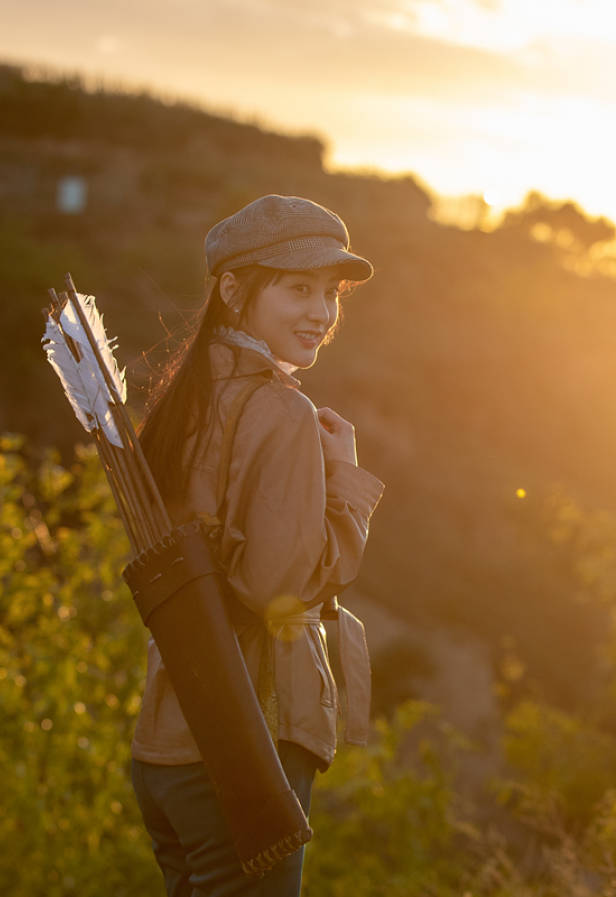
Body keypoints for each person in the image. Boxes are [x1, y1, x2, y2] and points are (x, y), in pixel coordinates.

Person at [131, 194, 385, 897]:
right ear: (234, 290)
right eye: (298, 287)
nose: (321, 312)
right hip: (246, 745)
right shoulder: (279, 409)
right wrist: (347, 486)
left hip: (167, 744)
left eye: (330, 293)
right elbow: (279, 588)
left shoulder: (186, 398)